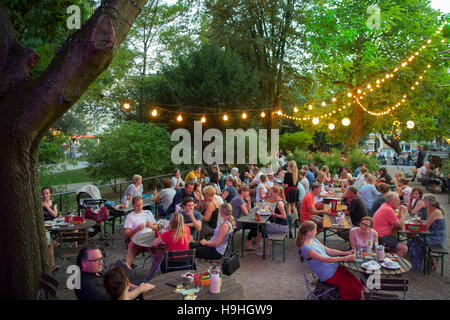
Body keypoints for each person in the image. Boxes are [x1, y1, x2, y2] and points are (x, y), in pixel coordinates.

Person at [297, 221, 363, 300]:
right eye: (314, 230)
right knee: (353, 289)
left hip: (333, 267)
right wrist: (346, 258)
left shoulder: (313, 239)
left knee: (356, 282)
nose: (316, 232)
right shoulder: (306, 248)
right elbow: (326, 260)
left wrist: (346, 253)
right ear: (308, 232)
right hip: (327, 274)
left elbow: (329, 250)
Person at [75, 246, 155, 300]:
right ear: (84, 263)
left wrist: (136, 287)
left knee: (144, 283)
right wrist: (140, 289)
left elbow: (117, 282)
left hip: (121, 291)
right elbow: (120, 298)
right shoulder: (88, 286)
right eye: (96, 260)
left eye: (101, 259)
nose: (101, 262)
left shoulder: (95, 271)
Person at [408, 195, 447, 270]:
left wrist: (411, 227)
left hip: (436, 238)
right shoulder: (434, 210)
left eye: (425, 201)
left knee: (415, 242)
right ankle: (429, 259)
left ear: (429, 202)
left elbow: (425, 227)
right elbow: (430, 223)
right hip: (434, 235)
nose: (423, 202)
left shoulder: (436, 212)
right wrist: (421, 221)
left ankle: (417, 265)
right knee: (413, 240)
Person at [123, 196, 158, 269]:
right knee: (131, 251)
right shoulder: (130, 216)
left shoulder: (147, 213)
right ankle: (125, 271)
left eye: (141, 205)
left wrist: (151, 225)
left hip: (150, 239)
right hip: (137, 241)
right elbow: (126, 235)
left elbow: (156, 227)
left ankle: (151, 274)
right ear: (133, 206)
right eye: (137, 205)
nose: (140, 207)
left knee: (161, 252)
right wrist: (137, 229)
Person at [372, 193, 408, 257]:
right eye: (398, 200)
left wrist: (400, 212)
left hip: (379, 234)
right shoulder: (388, 209)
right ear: (391, 201)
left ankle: (388, 258)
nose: (399, 203)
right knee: (404, 249)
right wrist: (402, 212)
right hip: (380, 237)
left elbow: (395, 220)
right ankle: (390, 263)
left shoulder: (385, 205)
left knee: (396, 241)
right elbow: (399, 225)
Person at [230, 186, 259, 251]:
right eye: (247, 191)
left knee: (255, 225)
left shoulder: (239, 198)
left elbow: (248, 210)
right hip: (235, 221)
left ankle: (253, 242)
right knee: (255, 225)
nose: (249, 192)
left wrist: (248, 201)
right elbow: (246, 213)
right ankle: (248, 244)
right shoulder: (239, 199)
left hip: (235, 220)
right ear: (243, 192)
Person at [42, 187, 59, 271]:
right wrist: (44, 205)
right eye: (43, 194)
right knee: (51, 242)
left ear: (50, 194)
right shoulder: (39, 204)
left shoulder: (53, 203)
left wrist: (47, 207)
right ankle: (52, 264)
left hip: (54, 225)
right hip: (44, 226)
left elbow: (55, 215)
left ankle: (74, 247)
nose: (45, 195)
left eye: (47, 193)